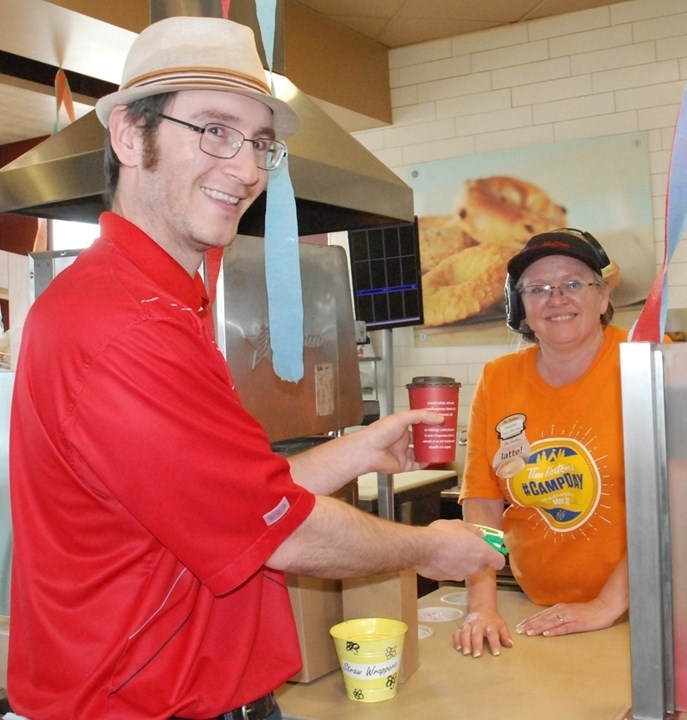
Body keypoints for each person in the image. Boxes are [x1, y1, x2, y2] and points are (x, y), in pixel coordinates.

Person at [6, 16, 504, 720]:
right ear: (128, 135)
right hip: (138, 705)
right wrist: (429, 548)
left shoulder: (162, 300)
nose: (244, 169)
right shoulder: (123, 324)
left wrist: (351, 449)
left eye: (260, 143)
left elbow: (227, 503)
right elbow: (284, 532)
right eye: (214, 129)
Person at [454, 227, 635, 660]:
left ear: (603, 297)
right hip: (538, 608)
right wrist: (482, 606)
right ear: (521, 307)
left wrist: (609, 604)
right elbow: (482, 501)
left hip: (646, 608)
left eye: (573, 283)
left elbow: (676, 500)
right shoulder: (498, 378)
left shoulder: (646, 359)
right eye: (538, 289)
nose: (556, 298)